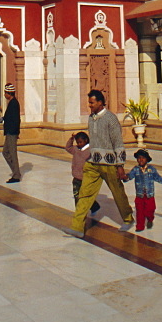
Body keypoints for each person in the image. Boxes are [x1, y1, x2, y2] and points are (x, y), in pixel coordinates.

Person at [64, 89, 134, 238]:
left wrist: (120, 165)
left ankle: (128, 218)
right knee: (84, 194)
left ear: (101, 102)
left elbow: (118, 142)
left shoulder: (111, 119)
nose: (89, 105)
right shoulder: (91, 118)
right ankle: (77, 227)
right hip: (93, 163)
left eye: (92, 102)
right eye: (89, 102)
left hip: (109, 164)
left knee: (118, 193)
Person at [125, 149, 162, 231]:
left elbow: (158, 178)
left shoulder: (151, 169)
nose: (141, 160)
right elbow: (129, 176)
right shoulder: (135, 169)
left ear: (147, 159)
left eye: (143, 158)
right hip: (140, 195)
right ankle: (140, 226)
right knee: (139, 211)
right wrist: (124, 177)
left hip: (149, 195)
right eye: (139, 158)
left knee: (150, 209)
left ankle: (150, 219)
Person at [65, 131, 100, 214]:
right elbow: (68, 148)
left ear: (86, 140)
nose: (79, 144)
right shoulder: (76, 149)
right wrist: (71, 139)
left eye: (81, 142)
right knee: (77, 195)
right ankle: (79, 212)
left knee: (86, 195)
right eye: (78, 142)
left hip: (86, 178)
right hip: (76, 178)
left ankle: (94, 206)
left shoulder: (90, 151)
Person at [2, 83, 21, 182]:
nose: (4, 95)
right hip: (9, 132)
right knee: (5, 152)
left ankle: (16, 175)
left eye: (5, 93)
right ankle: (15, 171)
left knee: (12, 153)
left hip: (11, 132)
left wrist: (16, 132)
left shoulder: (14, 103)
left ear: (9, 93)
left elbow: (16, 119)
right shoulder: (12, 103)